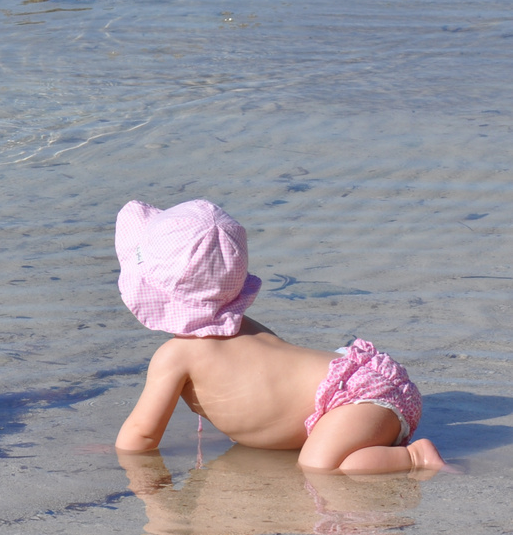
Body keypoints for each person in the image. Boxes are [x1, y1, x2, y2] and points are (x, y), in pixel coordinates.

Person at [112, 199, 443, 474]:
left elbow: (141, 436)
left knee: (317, 466)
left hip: (354, 403)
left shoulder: (175, 356)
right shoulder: (245, 326)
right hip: (362, 375)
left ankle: (415, 458)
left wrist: (114, 461)